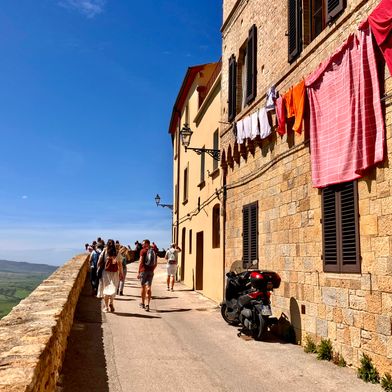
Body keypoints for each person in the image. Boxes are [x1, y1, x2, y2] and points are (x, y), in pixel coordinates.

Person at [97, 239, 123, 312]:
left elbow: (99, 262)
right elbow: (120, 265)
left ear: (107, 244)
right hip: (115, 273)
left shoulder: (105, 251)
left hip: (106, 273)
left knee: (106, 289)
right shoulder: (117, 252)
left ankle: (106, 307)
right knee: (113, 288)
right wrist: (121, 273)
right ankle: (111, 303)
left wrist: (98, 268)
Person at [137, 239, 157, 311]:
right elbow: (155, 264)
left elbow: (140, 261)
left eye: (143, 244)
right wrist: (152, 270)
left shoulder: (142, 251)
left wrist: (138, 272)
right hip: (151, 271)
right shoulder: (153, 251)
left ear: (147, 244)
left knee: (143, 287)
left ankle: (142, 303)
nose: (142, 245)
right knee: (149, 287)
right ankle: (148, 304)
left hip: (143, 271)